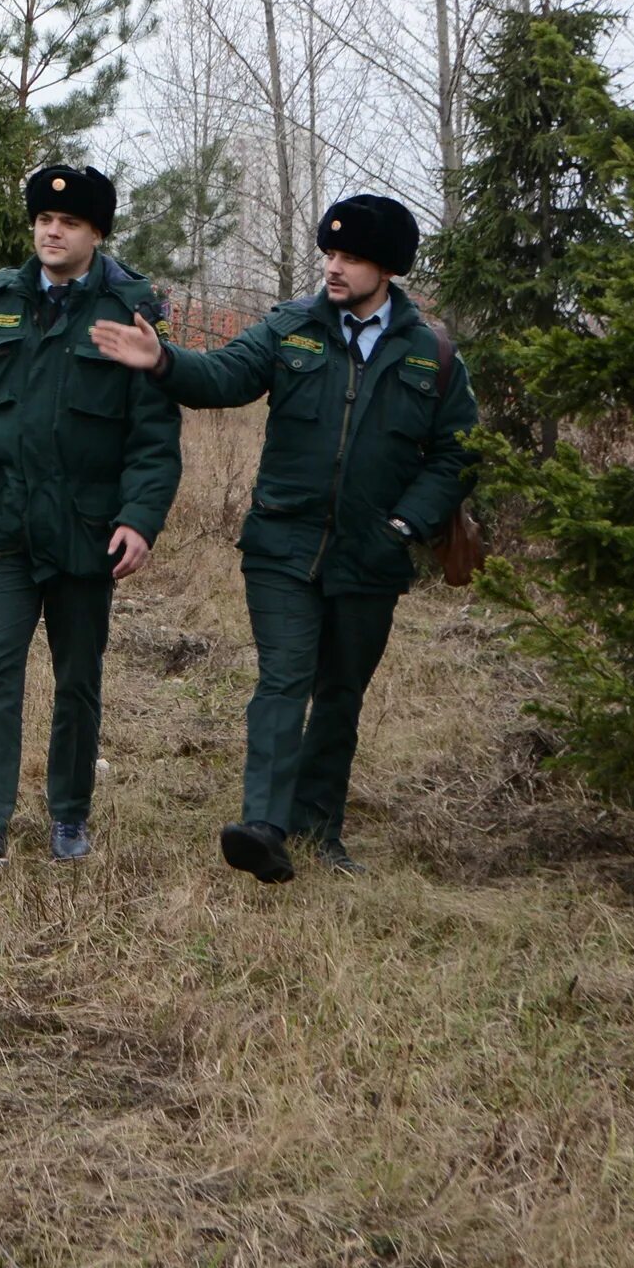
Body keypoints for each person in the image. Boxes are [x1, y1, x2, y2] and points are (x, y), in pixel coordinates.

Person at [87, 192, 475, 881]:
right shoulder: (292, 327)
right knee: (282, 679)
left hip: (372, 554)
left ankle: (320, 830)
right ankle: (263, 825)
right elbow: (225, 376)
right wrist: (163, 360)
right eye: (330, 253)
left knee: (340, 693)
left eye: (351, 257)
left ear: (386, 268)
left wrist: (404, 525)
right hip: (282, 545)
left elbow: (457, 454)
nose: (334, 268)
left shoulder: (431, 353)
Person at [0, 164, 183, 868]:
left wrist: (139, 518)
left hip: (85, 527)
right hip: (4, 524)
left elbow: (153, 434)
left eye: (67, 222)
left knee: (78, 678)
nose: (52, 230)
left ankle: (69, 815)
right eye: (43, 220)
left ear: (96, 232)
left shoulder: (127, 308)